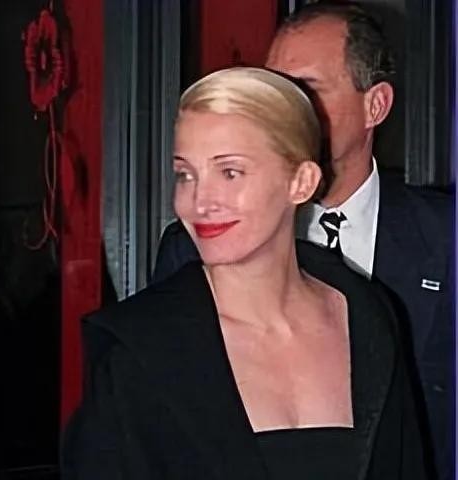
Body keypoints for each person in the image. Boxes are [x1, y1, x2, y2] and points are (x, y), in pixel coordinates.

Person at [62, 67, 427, 479]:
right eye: (185, 174)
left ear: (301, 182)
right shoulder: (137, 352)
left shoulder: (368, 319)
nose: (199, 201)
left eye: (229, 172)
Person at [152, 3, 454, 478]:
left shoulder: (446, 238)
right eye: (274, 90)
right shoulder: (197, 246)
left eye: (306, 90)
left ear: (375, 105)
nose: (283, 111)